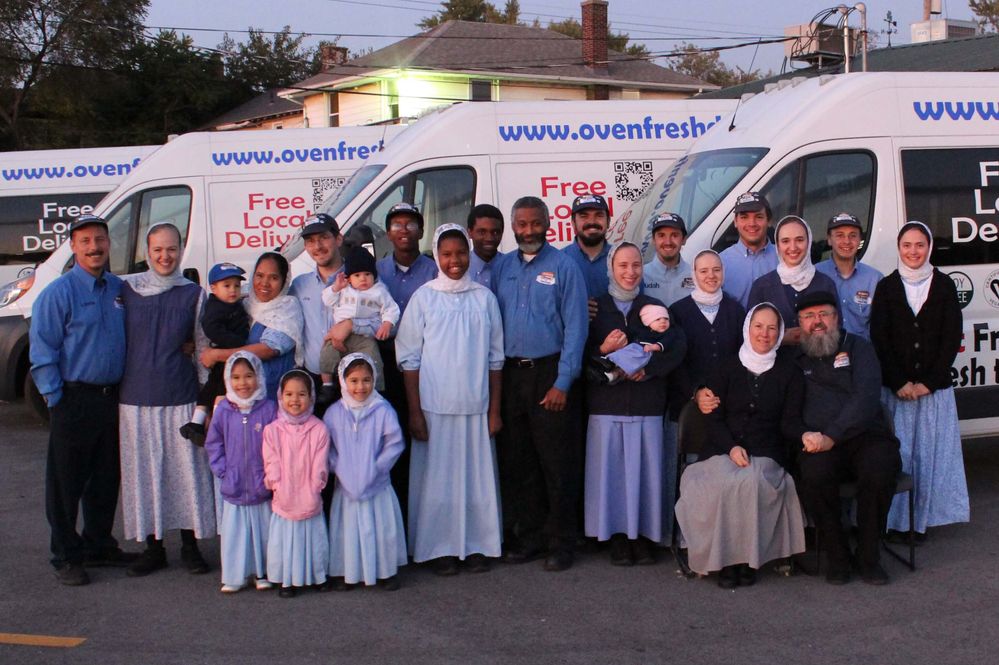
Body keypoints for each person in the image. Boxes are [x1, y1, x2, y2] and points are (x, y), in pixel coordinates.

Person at [30, 213, 136, 586]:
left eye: (100, 240)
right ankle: (65, 555)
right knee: (66, 483)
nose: (94, 247)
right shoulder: (57, 294)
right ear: (73, 247)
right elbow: (43, 350)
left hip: (112, 399)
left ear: (109, 244)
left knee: (105, 478)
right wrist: (55, 398)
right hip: (73, 399)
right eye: (86, 241)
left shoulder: (119, 290)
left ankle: (98, 545)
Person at [396, 224, 505, 576]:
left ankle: (476, 544)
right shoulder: (424, 298)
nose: (454, 260)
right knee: (438, 485)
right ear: (436, 255)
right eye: (446, 254)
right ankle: (439, 548)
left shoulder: (484, 299)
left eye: (460, 253)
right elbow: (409, 359)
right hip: (434, 408)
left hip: (476, 406)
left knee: (475, 482)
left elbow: (496, 360)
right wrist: (415, 413)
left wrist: (494, 411)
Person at [675, 304, 807, 588]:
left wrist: (807, 435)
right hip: (722, 448)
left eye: (772, 328)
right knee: (722, 483)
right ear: (748, 328)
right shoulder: (726, 367)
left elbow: (790, 422)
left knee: (751, 480)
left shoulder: (791, 373)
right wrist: (731, 447)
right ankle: (725, 561)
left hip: (767, 452)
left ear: (780, 333)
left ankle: (746, 560)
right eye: (758, 326)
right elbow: (713, 418)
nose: (764, 334)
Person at [491, 196, 588, 572]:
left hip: (550, 373)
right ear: (513, 227)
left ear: (548, 224)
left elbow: (576, 327)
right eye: (522, 224)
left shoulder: (564, 267)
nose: (528, 231)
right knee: (520, 461)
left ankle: (561, 542)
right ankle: (530, 537)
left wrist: (563, 381)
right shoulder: (503, 267)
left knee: (557, 463)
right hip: (512, 375)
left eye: (535, 223)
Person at [119, 222, 216, 578]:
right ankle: (153, 548)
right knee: (147, 475)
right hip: (135, 397)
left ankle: (190, 546)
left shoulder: (193, 294)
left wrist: (206, 402)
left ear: (181, 249)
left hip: (180, 395)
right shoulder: (127, 290)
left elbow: (203, 348)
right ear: (147, 252)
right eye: (158, 249)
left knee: (186, 474)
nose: (165, 256)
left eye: (171, 248)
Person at [584, 242, 686, 566]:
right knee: (611, 478)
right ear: (611, 269)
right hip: (607, 406)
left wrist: (649, 369)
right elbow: (580, 356)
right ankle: (616, 537)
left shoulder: (654, 307)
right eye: (623, 266)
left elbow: (676, 347)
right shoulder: (596, 308)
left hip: (646, 404)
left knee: (645, 476)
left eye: (636, 265)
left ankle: (642, 537)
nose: (630, 272)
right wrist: (603, 350)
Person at [793, 291, 902, 585]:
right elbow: (789, 410)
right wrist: (810, 436)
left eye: (824, 314)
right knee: (813, 475)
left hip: (864, 436)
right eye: (809, 316)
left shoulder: (859, 348)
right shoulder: (795, 359)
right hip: (819, 443)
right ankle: (837, 556)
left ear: (837, 318)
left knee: (881, 467)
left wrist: (834, 434)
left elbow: (866, 398)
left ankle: (869, 557)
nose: (817, 322)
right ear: (799, 324)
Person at [870, 221, 968, 540]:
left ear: (929, 247)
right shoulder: (887, 287)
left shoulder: (944, 286)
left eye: (920, 245)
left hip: (932, 392)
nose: (913, 251)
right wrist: (899, 381)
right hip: (896, 391)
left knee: (927, 458)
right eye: (907, 245)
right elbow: (880, 338)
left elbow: (951, 337)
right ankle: (894, 521)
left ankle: (919, 523)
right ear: (899, 248)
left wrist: (929, 381)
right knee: (898, 456)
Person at [375, 202, 438, 520]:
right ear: (388, 233)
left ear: (421, 231)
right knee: (390, 438)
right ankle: (396, 515)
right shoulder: (377, 271)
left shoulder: (434, 270)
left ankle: (422, 515)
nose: (404, 230)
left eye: (410, 224)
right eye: (397, 225)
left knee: (421, 438)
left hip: (424, 366)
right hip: (385, 364)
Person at [325, 354, 407, 591]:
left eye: (366, 380)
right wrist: (338, 467)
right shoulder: (334, 413)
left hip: (376, 484)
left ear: (374, 379)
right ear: (343, 381)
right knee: (348, 531)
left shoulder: (383, 410)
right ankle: (346, 572)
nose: (360, 387)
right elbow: (326, 447)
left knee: (380, 529)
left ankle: (385, 571)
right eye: (354, 381)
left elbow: (394, 443)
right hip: (346, 485)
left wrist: (377, 468)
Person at [205, 351, 277, 593]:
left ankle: (262, 572)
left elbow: (277, 444)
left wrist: (271, 473)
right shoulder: (224, 410)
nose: (242, 383)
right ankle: (234, 575)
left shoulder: (269, 409)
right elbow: (214, 443)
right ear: (228, 379)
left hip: (261, 483)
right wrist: (222, 471)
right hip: (234, 484)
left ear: (259, 377)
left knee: (263, 532)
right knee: (235, 533)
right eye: (236, 377)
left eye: (248, 376)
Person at [201, 252, 304, 400]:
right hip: (243, 395)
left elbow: (268, 350)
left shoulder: (287, 308)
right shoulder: (245, 303)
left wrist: (216, 355)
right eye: (259, 275)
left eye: (274, 278)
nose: (265, 283)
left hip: (274, 395)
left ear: (284, 281)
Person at [264, 370, 331, 598]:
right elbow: (271, 460)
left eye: (302, 394)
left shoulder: (319, 428)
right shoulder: (272, 430)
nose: (295, 400)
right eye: (289, 394)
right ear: (280, 397)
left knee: (312, 538)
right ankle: (287, 579)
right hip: (284, 493)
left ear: (311, 397)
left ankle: (317, 575)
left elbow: (320, 463)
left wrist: (315, 487)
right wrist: (277, 485)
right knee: (287, 539)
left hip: (309, 493)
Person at [179, 262, 250, 446]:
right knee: (218, 389)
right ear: (213, 288)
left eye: (237, 285)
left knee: (214, 388)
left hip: (229, 357)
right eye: (227, 286)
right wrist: (236, 344)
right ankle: (208, 425)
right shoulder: (216, 307)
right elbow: (211, 328)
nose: (233, 290)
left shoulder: (235, 304)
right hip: (224, 358)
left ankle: (198, 423)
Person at [671, 250, 746, 411]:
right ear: (694, 274)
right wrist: (695, 392)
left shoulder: (736, 311)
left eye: (716, 270)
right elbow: (676, 362)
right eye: (704, 271)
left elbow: (742, 357)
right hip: (687, 405)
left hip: (728, 403)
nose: (711, 275)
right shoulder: (678, 312)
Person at [319, 246, 400, 392]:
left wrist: (387, 323)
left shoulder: (379, 291)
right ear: (349, 278)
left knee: (373, 359)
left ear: (374, 275)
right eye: (357, 275)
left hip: (365, 337)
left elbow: (391, 309)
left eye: (367, 274)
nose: (363, 278)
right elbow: (327, 300)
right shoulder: (344, 290)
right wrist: (336, 288)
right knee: (327, 354)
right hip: (340, 335)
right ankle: (327, 384)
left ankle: (377, 388)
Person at [748, 215, 837, 345]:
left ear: (809, 242)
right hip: (775, 358)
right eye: (785, 241)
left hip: (819, 357)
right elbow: (750, 335)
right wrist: (781, 338)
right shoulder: (762, 286)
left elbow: (836, 329)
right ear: (777, 246)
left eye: (799, 240)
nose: (793, 247)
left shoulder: (826, 283)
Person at [289, 213, 345, 410]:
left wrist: (351, 325)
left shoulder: (360, 278)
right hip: (314, 381)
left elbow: (382, 322)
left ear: (338, 239)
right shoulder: (299, 285)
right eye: (310, 241)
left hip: (356, 381)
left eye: (323, 237)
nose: (318, 246)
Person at [815, 213, 883, 340]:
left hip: (862, 349)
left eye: (853, 235)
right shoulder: (815, 275)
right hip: (825, 348)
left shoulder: (875, 279)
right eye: (840, 235)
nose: (847, 241)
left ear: (859, 239)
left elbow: (881, 326)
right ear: (829, 239)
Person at [719, 191, 778, 308]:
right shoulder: (720, 263)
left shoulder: (784, 257)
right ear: (735, 222)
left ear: (769, 221)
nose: (752, 223)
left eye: (759, 217)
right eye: (744, 217)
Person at [591, 303, 672, 382]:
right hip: (634, 349)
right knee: (624, 355)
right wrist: (619, 337)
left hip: (644, 353)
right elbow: (632, 333)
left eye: (666, 319)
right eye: (657, 319)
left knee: (629, 359)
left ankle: (610, 366)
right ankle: (608, 372)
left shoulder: (667, 334)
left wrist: (655, 347)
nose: (663, 322)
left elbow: (668, 344)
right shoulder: (642, 330)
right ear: (647, 322)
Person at [562, 194, 611, 305]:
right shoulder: (558, 261)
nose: (592, 222)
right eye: (584, 216)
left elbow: (637, 302)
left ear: (608, 221)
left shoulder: (624, 258)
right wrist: (575, 308)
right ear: (573, 223)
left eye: (599, 215)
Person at [642, 212, 694, 307]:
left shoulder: (696, 276)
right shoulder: (640, 276)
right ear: (653, 240)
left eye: (674, 235)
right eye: (661, 235)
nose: (668, 242)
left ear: (684, 239)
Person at [467, 204, 505, 288]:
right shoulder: (461, 269)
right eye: (482, 232)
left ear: (502, 233)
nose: (489, 238)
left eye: (495, 232)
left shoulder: (512, 267)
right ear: (469, 233)